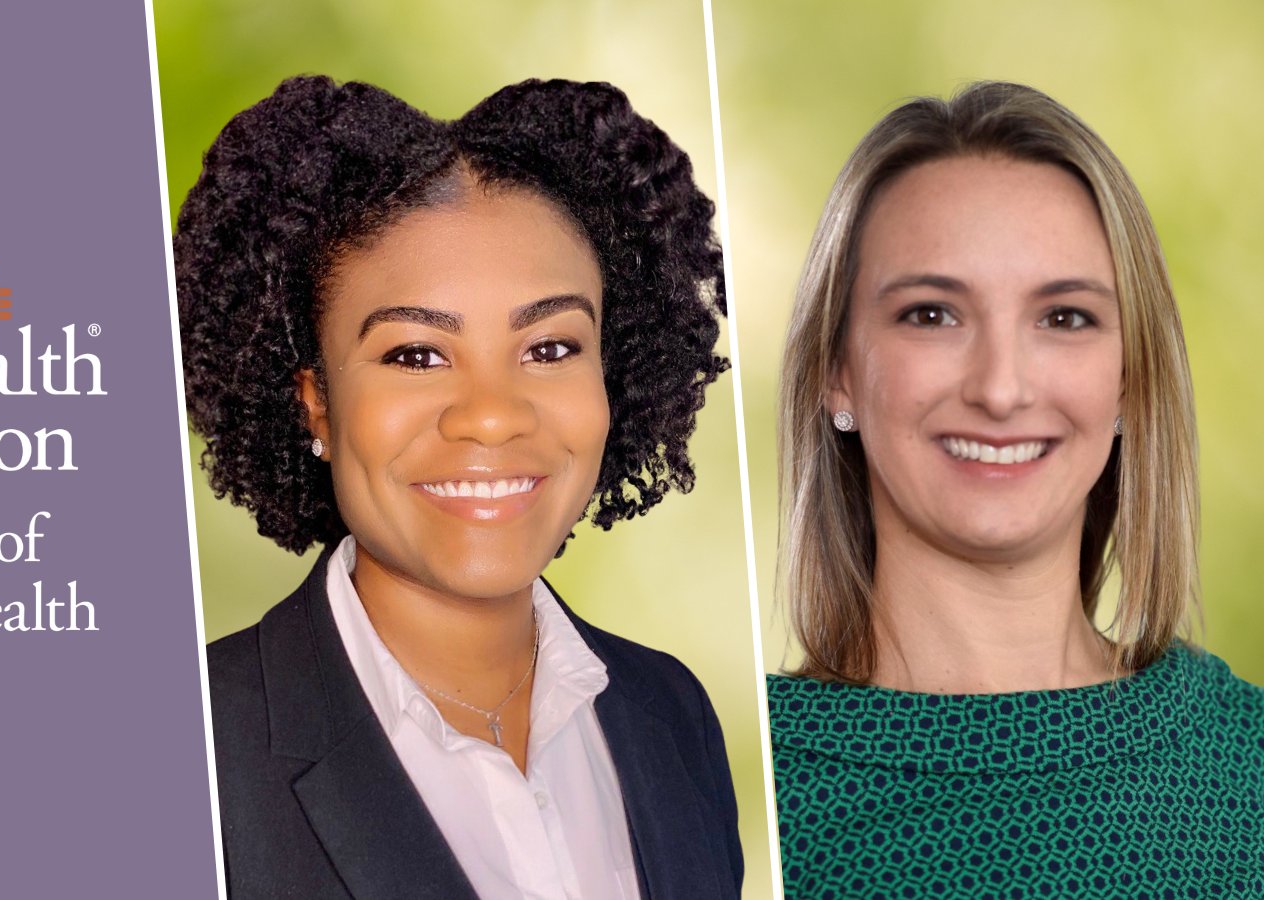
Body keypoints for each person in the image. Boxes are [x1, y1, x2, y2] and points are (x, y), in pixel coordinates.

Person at [175, 75, 743, 899]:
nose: (490, 417)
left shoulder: (670, 714)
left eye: (549, 349)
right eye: (415, 355)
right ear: (316, 404)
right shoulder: (189, 756)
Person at [769, 80, 1264, 897]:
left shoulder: (1245, 766)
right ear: (838, 373)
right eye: (932, 315)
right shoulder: (721, 788)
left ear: (1129, 384)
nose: (1001, 389)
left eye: (1064, 318)